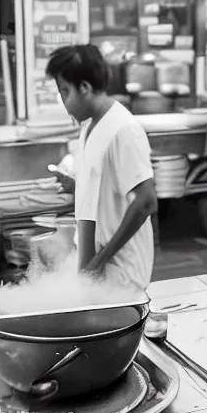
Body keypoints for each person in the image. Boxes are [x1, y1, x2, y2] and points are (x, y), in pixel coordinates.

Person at [45, 44, 157, 291]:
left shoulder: (124, 129)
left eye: (65, 92)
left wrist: (98, 262)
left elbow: (146, 201)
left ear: (84, 88)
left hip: (120, 274)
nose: (63, 101)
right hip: (96, 273)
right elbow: (103, 189)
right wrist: (77, 185)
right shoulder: (89, 126)